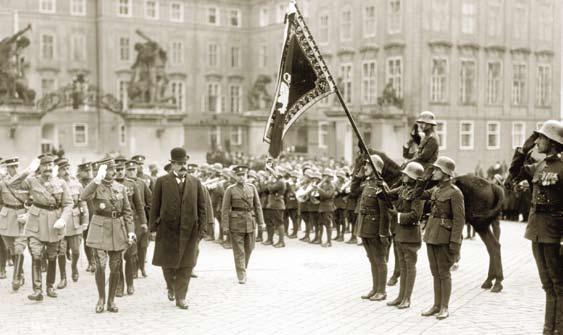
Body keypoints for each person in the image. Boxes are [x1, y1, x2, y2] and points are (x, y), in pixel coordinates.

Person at [507, 120, 563, 334]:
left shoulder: (562, 167)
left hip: (554, 233)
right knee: (547, 285)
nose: (537, 141)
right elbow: (514, 173)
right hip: (536, 231)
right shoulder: (539, 166)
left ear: (552, 141)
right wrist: (524, 148)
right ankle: (548, 329)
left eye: (540, 138)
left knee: (559, 285)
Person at [149, 147, 207, 310]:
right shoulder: (162, 182)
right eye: (180, 164)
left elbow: (202, 207)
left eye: (185, 163)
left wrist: (202, 229)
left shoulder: (195, 182)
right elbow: (155, 206)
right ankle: (170, 285)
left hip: (190, 231)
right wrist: (152, 227)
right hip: (167, 230)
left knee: (187, 265)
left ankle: (181, 297)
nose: (183, 167)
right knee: (167, 264)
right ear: (172, 164)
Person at [81, 158, 135, 313]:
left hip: (117, 228)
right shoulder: (96, 186)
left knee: (116, 266)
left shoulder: (120, 187)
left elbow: (127, 211)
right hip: (100, 228)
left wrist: (130, 230)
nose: (112, 172)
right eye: (108, 169)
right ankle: (101, 298)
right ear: (102, 171)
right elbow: (83, 196)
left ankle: (111, 300)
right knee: (100, 266)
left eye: (113, 169)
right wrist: (96, 179)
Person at [20, 155, 74, 301]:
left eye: (50, 166)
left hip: (54, 223)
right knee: (36, 255)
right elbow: (14, 185)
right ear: (40, 167)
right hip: (36, 222)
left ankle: (50, 286)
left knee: (52, 256)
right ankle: (37, 290)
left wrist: (63, 219)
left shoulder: (61, 183)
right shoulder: (31, 181)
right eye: (45, 166)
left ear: (53, 167)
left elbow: (69, 204)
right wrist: (27, 171)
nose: (48, 169)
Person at [420, 156, 465, 320]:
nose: (435, 172)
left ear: (446, 173)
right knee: (435, 272)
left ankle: (444, 306)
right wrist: (423, 179)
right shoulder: (436, 190)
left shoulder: (455, 193)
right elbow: (418, 194)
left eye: (438, 169)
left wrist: (455, 243)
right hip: (431, 235)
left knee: (444, 273)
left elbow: (459, 220)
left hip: (444, 237)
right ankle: (436, 305)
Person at [386, 162, 425, 309]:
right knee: (402, 267)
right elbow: (387, 195)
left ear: (413, 178)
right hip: (400, 234)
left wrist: (397, 216)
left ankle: (407, 298)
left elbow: (415, 216)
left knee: (409, 267)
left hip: (410, 235)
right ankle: (400, 297)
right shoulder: (403, 188)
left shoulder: (417, 194)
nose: (403, 176)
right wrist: (380, 186)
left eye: (406, 174)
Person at [353, 154, 391, 302]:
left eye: (368, 165)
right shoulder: (368, 184)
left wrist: (383, 233)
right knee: (372, 259)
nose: (365, 167)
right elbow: (353, 190)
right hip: (366, 226)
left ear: (376, 168)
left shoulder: (381, 186)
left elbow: (385, 213)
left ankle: (382, 291)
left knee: (380, 259)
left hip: (376, 228)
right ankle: (375, 288)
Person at [0, 157, 39, 291]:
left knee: (19, 248)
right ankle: (21, 272)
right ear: (7, 168)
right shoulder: (2, 183)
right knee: (11, 249)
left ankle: (16, 278)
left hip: (22, 217)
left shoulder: (27, 181)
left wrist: (28, 214)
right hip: (6, 218)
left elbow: (34, 201)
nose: (15, 169)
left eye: (17, 166)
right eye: (12, 167)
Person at [221, 165, 265, 284]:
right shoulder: (230, 190)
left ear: (246, 175)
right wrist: (225, 226)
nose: (241, 177)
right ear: (235, 176)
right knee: (239, 251)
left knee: (249, 248)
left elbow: (258, 206)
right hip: (236, 223)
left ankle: (243, 268)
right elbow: (225, 209)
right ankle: (241, 274)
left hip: (250, 222)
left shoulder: (252, 188)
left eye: (243, 175)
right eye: (239, 175)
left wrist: (261, 222)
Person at [55, 158, 88, 288]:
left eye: (68, 168)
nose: (66, 171)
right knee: (61, 251)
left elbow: (83, 202)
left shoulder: (77, 184)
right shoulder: (55, 184)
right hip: (61, 220)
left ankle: (74, 267)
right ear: (58, 171)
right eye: (63, 169)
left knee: (76, 250)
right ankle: (63, 277)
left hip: (75, 221)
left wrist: (85, 220)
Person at [76, 162, 96, 273]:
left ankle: (96, 261)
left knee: (97, 239)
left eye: (90, 170)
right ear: (81, 172)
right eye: (86, 171)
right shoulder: (78, 184)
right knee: (87, 239)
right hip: (84, 215)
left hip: (96, 214)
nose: (88, 173)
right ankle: (91, 261)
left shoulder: (96, 183)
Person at [316, 169, 336, 247]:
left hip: (328, 207)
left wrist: (318, 188)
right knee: (320, 224)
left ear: (330, 177)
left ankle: (329, 242)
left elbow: (328, 195)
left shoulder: (332, 185)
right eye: (324, 175)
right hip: (322, 206)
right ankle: (320, 239)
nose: (324, 177)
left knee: (328, 224)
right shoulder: (323, 185)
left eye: (326, 176)